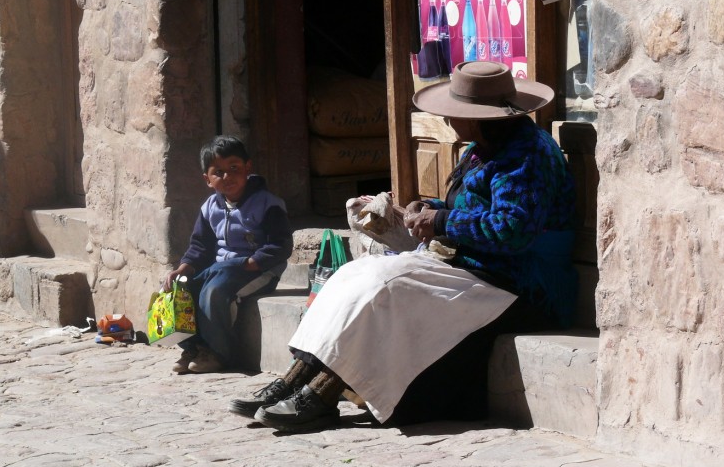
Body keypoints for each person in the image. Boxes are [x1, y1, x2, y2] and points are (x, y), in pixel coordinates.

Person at [228, 61, 577, 432]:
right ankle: (297, 378)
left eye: (454, 115)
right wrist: (428, 210)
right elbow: (475, 210)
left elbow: (512, 230)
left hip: (519, 283)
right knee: (353, 275)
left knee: (386, 289)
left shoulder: (526, 157)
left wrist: (439, 222)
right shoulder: (484, 147)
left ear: (478, 118)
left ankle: (323, 393)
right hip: (475, 267)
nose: (447, 122)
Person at [164, 135, 293, 374]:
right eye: (219, 172)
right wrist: (184, 268)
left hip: (257, 270)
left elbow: (281, 245)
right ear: (207, 179)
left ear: (247, 168)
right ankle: (193, 347)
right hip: (222, 269)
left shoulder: (268, 204)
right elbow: (200, 245)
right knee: (180, 289)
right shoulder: (210, 207)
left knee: (213, 292)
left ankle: (218, 353)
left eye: (234, 168)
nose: (228, 177)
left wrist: (254, 262)